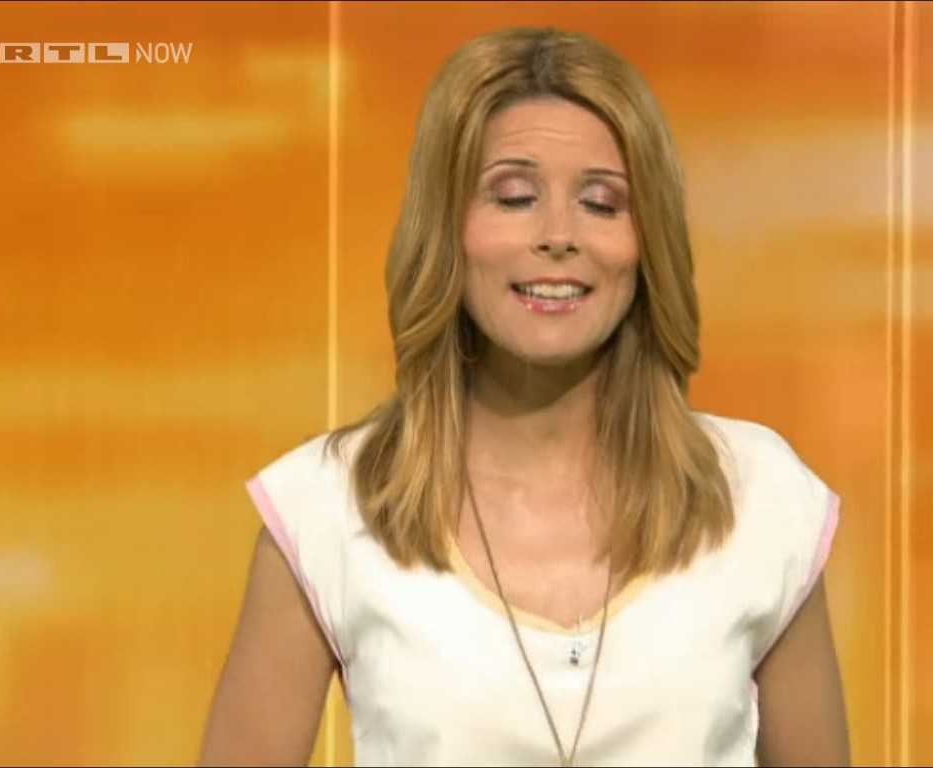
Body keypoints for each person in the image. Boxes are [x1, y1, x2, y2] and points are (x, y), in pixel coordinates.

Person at [198, 26, 850, 768]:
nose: (558, 235)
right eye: (514, 197)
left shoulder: (759, 496)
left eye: (602, 203)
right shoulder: (328, 506)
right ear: (447, 230)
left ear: (648, 244)